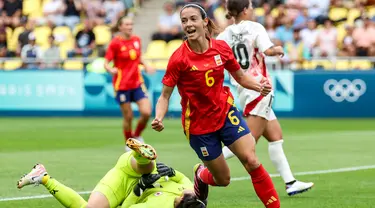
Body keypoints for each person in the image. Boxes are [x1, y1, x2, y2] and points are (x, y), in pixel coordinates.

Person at [151, 3, 280, 208]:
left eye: (193, 19)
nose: (188, 24)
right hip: (199, 126)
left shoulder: (221, 48)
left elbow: (240, 77)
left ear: (205, 22)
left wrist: (258, 86)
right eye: (184, 21)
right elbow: (165, 96)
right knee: (223, 180)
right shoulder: (179, 59)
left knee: (251, 160)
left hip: (225, 112)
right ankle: (201, 174)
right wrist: (158, 117)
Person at [217, 0, 314, 196]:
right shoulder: (255, 27)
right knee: (247, 142)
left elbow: (215, 57)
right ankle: (207, 164)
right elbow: (267, 50)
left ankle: (290, 182)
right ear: (245, 10)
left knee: (276, 137)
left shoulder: (224, 35)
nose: (253, 9)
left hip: (244, 88)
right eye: (251, 6)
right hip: (260, 88)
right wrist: (277, 50)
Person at [17, 138, 208, 208]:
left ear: (180, 204)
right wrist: (173, 173)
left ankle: (42, 177)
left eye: (182, 196)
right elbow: (185, 178)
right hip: (131, 169)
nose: (183, 191)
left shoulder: (158, 206)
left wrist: (138, 191)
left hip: (126, 185)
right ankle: (141, 155)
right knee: (149, 167)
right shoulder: (192, 193)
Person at [104, 16, 155, 151]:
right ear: (120, 27)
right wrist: (110, 69)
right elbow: (106, 62)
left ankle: (137, 136)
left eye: (131, 24)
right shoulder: (115, 43)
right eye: (126, 24)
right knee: (129, 116)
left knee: (146, 112)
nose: (130, 26)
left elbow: (138, 58)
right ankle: (129, 142)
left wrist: (146, 65)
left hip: (137, 83)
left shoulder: (137, 40)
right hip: (122, 85)